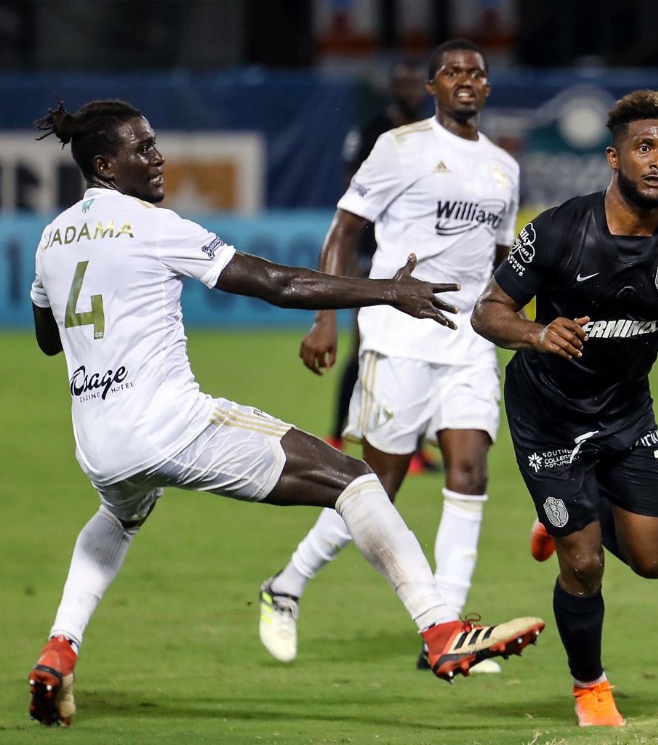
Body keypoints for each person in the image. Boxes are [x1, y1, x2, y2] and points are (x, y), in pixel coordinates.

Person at [25, 99, 543, 727]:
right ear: (106, 164)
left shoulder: (51, 238)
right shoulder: (154, 227)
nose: (158, 158)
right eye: (143, 148)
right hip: (173, 426)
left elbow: (50, 339)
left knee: (118, 516)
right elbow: (276, 283)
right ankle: (440, 630)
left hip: (100, 443)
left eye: (156, 142)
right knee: (354, 480)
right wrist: (387, 290)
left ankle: (60, 647)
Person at [472, 89, 658, 727]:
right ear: (614, 157)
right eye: (644, 147)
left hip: (627, 415)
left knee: (655, 561)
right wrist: (536, 334)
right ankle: (590, 686)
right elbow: (487, 312)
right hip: (547, 415)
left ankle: (569, 517)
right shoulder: (558, 229)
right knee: (585, 563)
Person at [257, 39, 521, 673]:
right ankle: (286, 585)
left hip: (468, 341)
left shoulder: (502, 168)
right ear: (431, 86)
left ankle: (450, 632)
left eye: (476, 73)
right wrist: (325, 319)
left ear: (487, 88)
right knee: (377, 490)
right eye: (452, 72)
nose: (465, 80)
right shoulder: (400, 149)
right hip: (397, 337)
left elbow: (503, 260)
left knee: (471, 473)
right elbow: (344, 232)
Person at [328, 59, 440, 481]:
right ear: (393, 87)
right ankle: (338, 435)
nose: (410, 87)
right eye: (402, 79)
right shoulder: (374, 131)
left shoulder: (436, 136)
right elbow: (353, 190)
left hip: (421, 260)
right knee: (365, 347)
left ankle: (412, 448)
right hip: (373, 259)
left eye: (415, 80)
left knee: (421, 353)